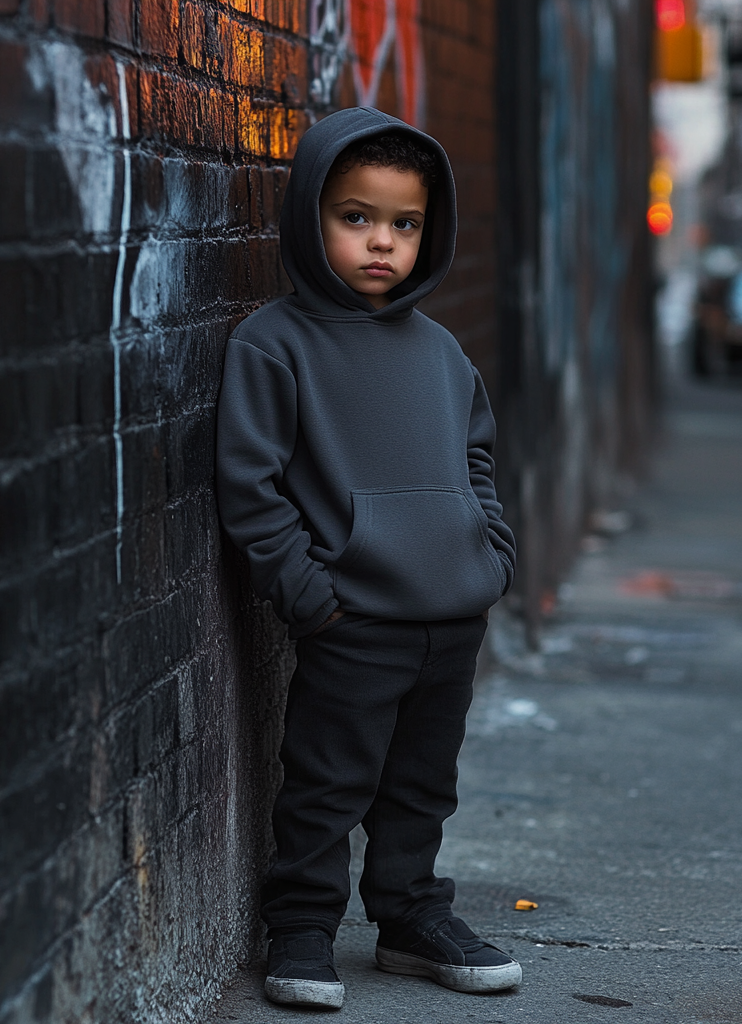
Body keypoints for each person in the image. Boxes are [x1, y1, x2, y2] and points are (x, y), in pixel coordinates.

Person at [216, 106, 520, 1009]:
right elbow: (249, 485)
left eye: (404, 223)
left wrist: (490, 555)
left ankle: (410, 919)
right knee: (327, 781)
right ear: (311, 217)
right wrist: (311, 594)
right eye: (356, 217)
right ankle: (303, 929)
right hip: (352, 618)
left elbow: (476, 458)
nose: (381, 242)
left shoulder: (441, 352)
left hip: (452, 613)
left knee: (423, 784)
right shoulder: (273, 344)